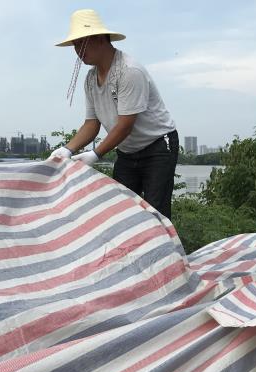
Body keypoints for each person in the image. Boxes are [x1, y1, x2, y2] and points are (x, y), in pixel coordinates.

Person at [51, 9, 178, 218]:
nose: (78, 51)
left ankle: (163, 240)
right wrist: (67, 149)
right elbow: (91, 124)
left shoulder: (129, 71)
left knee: (156, 212)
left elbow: (126, 124)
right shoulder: (91, 79)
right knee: (121, 211)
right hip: (127, 151)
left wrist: (95, 154)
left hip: (157, 146)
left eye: (81, 43)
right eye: (74, 45)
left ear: (100, 39)